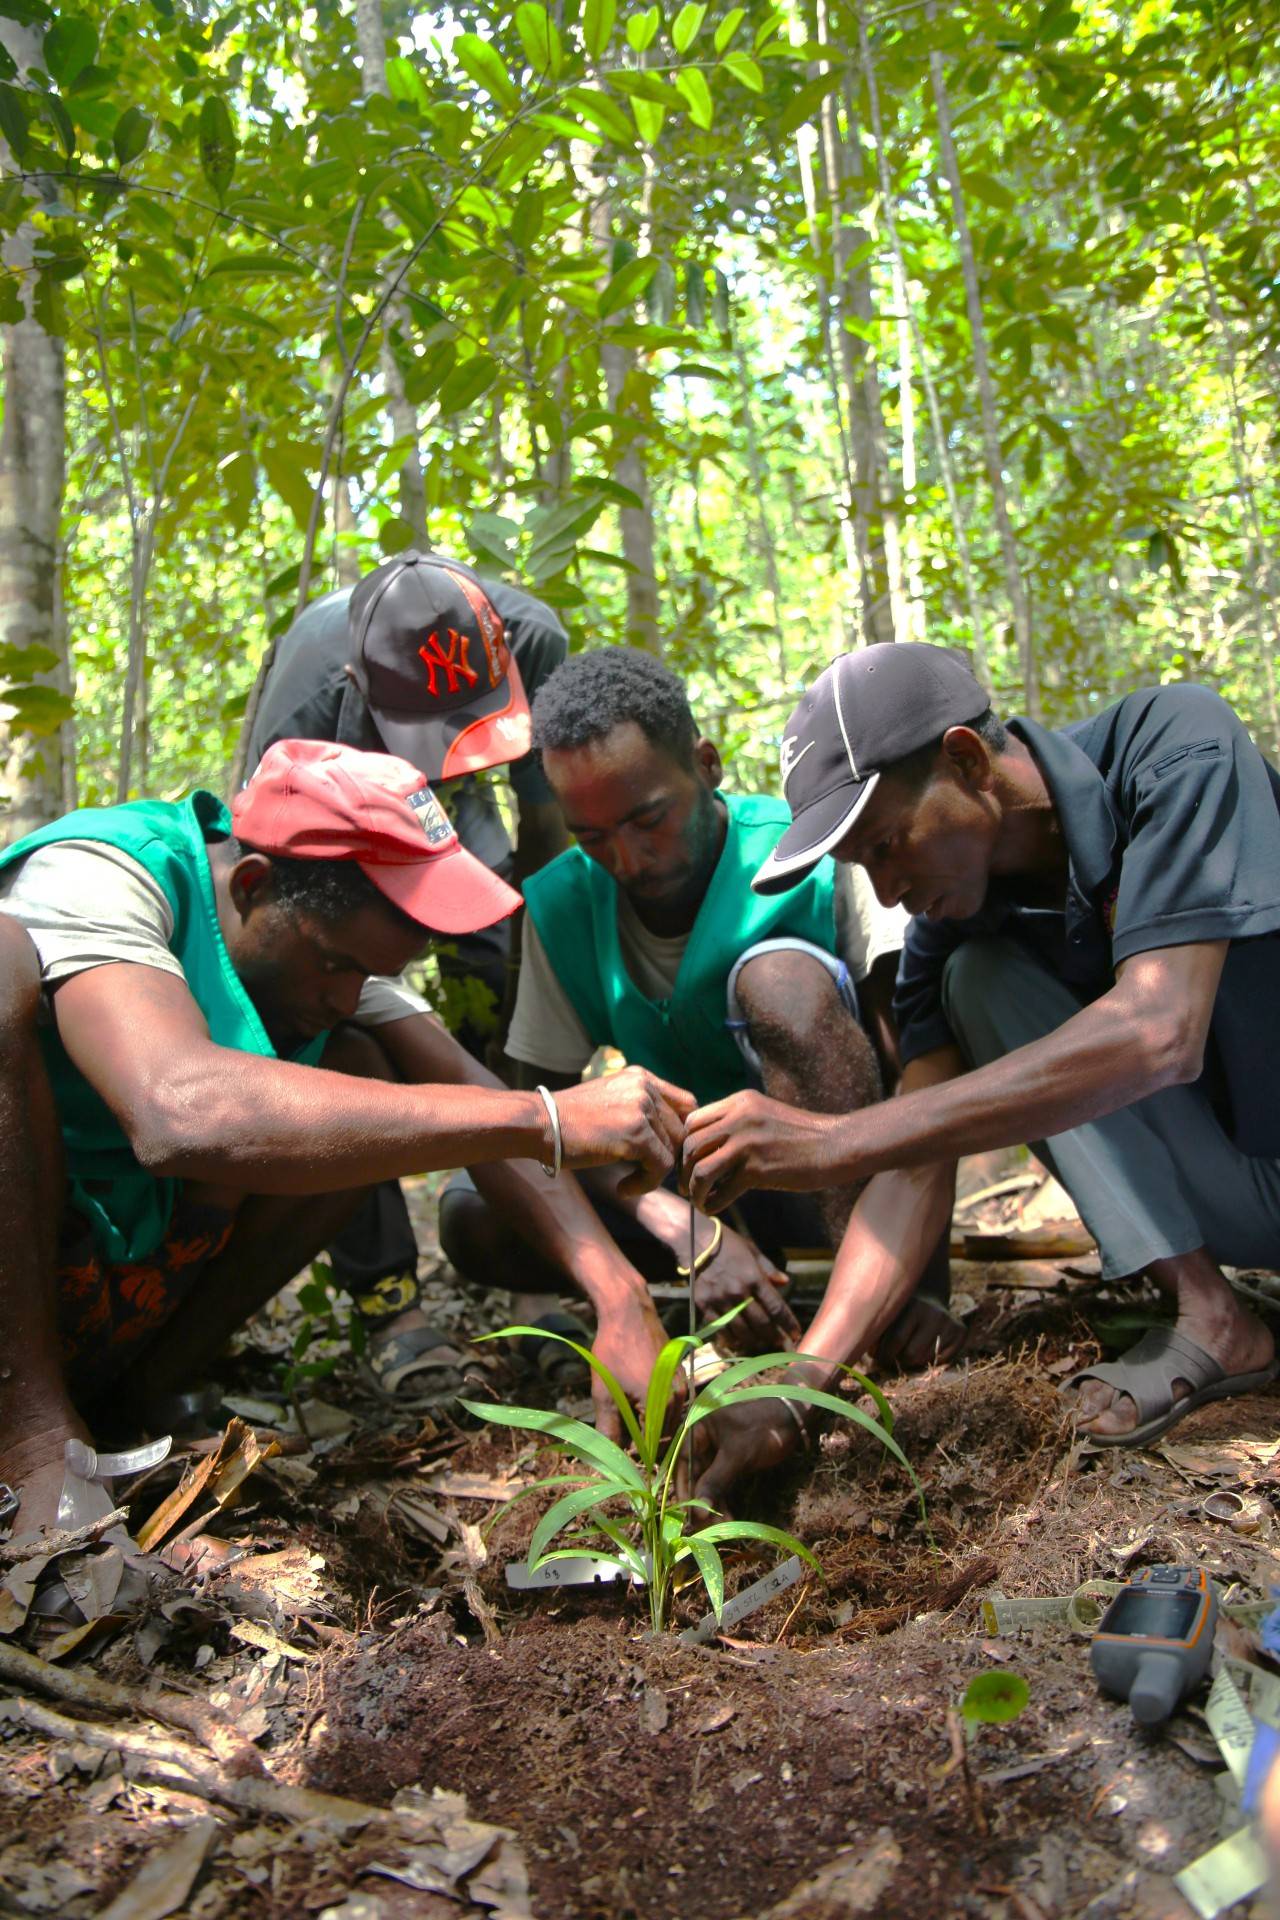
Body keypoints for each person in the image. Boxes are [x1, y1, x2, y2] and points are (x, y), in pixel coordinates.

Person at [0, 740, 692, 1533]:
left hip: (95, 1293)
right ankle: (30, 1439)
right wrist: (550, 1115)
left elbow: (468, 1092)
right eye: (336, 965)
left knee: (361, 1068)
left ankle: (139, 1397)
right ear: (254, 886)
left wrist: (616, 1291)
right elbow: (176, 1111)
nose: (346, 995)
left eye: (368, 973)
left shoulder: (328, 950)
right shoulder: (106, 875)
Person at [682, 642, 1280, 1503]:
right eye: (864, 868)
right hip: (1241, 1192)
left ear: (966, 760)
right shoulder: (953, 933)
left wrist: (836, 1138)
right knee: (980, 981)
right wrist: (803, 1386)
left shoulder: (1175, 751)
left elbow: (1160, 1029)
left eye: (888, 845)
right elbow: (917, 1154)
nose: (886, 893)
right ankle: (1213, 1315)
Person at [441, 647, 956, 1362]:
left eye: (648, 819)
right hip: (698, 1189)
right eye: (591, 837)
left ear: (706, 765)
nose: (626, 859)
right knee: (473, 1214)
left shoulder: (812, 853)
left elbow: (915, 1074)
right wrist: (688, 1231)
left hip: (842, 1175)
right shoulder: (562, 904)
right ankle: (737, 1290)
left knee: (781, 982)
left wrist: (926, 1283)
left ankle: (867, 1302)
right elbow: (541, 1125)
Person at [241, 549, 571, 1387]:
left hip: (451, 813)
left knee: (501, 962)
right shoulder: (311, 708)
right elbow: (283, 921)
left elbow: (544, 846)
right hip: (346, 792)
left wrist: (536, 980)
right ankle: (389, 1302)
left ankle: (528, 1259)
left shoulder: (530, 644)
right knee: (330, 1016)